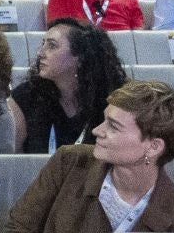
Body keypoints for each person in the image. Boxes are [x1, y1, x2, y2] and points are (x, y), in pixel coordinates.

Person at [5, 81, 174, 233]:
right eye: (105, 120)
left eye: (113, 126)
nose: (97, 131)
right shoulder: (68, 163)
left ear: (154, 147)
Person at [12, 18, 129, 153]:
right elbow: (15, 164)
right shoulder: (25, 97)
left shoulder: (114, 97)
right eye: (43, 44)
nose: (40, 53)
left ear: (80, 57)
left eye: (52, 46)